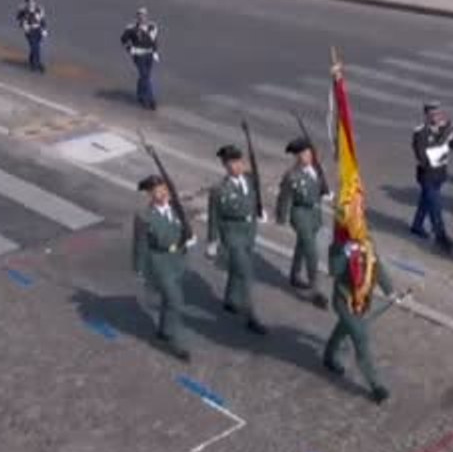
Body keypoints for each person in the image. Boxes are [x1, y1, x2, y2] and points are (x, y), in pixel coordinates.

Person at [322, 238, 400, 405]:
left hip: (361, 303)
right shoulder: (339, 245)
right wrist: (345, 252)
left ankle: (329, 355)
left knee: (344, 328)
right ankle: (376, 385)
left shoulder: (367, 242)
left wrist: (391, 292)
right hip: (344, 301)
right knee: (361, 337)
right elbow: (334, 270)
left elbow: (377, 266)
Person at [206, 144, 268, 335]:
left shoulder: (250, 179)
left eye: (238, 162)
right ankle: (251, 317)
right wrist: (212, 241)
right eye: (230, 163)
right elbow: (213, 216)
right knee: (246, 274)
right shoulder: (219, 189)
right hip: (232, 234)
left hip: (249, 230)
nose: (236, 166)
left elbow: (254, 197)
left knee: (238, 268)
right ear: (225, 166)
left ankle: (231, 299)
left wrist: (259, 211)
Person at [133, 174, 193, 362]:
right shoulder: (144, 217)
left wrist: (188, 238)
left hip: (177, 260)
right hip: (159, 263)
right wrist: (140, 268)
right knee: (176, 301)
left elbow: (183, 226)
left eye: (164, 189)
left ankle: (164, 330)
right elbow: (140, 244)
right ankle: (176, 344)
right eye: (157, 191)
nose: (162, 194)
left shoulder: (175, 208)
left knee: (169, 300)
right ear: (150, 195)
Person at [410, 101, 453, 253]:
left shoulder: (443, 129)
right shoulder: (420, 133)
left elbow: (452, 143)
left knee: (426, 201)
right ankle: (441, 237)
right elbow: (422, 157)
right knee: (436, 207)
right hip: (427, 175)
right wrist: (441, 141)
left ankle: (417, 226)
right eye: (433, 114)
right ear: (426, 115)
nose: (436, 117)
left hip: (440, 174)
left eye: (438, 114)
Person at [276, 137, 329, 307]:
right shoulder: (292, 176)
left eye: (308, 152)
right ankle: (315, 290)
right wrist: (281, 217)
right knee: (311, 251)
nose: (307, 156)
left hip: (314, 213)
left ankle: (294, 274)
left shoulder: (316, 169)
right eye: (303, 154)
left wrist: (326, 192)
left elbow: (320, 187)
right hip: (300, 214)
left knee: (302, 245)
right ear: (297, 157)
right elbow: (283, 198)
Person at [119, 7, 159, 109]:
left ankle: (140, 94)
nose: (142, 17)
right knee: (145, 76)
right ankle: (150, 99)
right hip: (138, 55)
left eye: (144, 15)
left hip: (149, 55)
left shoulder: (152, 26)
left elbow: (154, 41)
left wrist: (155, 52)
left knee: (145, 76)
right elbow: (123, 40)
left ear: (147, 16)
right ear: (137, 17)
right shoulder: (131, 28)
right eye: (140, 15)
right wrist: (130, 49)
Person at [15, 0, 47, 73]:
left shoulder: (39, 9)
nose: (31, 3)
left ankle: (32, 61)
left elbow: (42, 20)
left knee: (36, 47)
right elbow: (19, 19)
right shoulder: (23, 10)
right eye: (29, 1)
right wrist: (24, 26)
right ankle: (38, 64)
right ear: (26, 2)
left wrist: (44, 30)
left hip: (38, 30)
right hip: (30, 31)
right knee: (35, 47)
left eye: (33, 1)